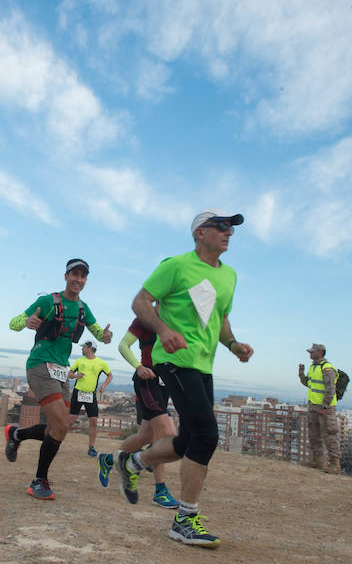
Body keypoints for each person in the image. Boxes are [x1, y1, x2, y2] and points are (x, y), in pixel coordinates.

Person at [119, 210, 253, 548]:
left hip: (203, 366)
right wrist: (163, 330)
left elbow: (221, 319)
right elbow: (139, 302)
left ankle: (133, 462)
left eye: (232, 228)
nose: (229, 233)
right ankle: (184, 519)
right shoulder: (176, 266)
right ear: (200, 233)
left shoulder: (230, 276)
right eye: (222, 226)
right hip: (174, 361)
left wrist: (233, 344)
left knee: (187, 441)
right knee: (207, 435)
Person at [3, 258, 113, 500]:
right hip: (40, 365)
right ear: (66, 276)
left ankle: (16, 435)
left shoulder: (84, 308)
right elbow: (14, 323)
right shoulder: (48, 301)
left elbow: (99, 333)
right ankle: (39, 481)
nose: (78, 279)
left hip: (61, 371)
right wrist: (27, 321)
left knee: (57, 427)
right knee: (62, 425)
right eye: (75, 274)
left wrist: (106, 336)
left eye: (83, 276)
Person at [98, 315, 180, 509]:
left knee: (145, 435)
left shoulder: (178, 317)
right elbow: (124, 345)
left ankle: (109, 460)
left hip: (165, 382)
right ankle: (160, 490)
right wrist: (139, 366)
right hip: (147, 379)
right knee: (166, 434)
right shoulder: (145, 317)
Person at [298, 343, 340, 474]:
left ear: (320, 352)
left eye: (313, 351)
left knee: (329, 435)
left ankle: (335, 465)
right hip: (313, 406)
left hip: (324, 408)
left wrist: (325, 406)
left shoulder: (327, 368)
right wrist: (301, 373)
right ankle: (317, 461)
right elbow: (308, 383)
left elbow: (330, 389)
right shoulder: (313, 368)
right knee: (314, 435)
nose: (310, 354)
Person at [68, 339, 112, 457]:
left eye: (84, 347)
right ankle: (55, 440)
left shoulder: (101, 363)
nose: (82, 349)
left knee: (93, 421)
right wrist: (77, 375)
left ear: (90, 348)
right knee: (71, 420)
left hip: (90, 395)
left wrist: (103, 385)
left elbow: (110, 375)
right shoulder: (79, 360)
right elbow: (70, 374)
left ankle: (91, 448)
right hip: (78, 393)